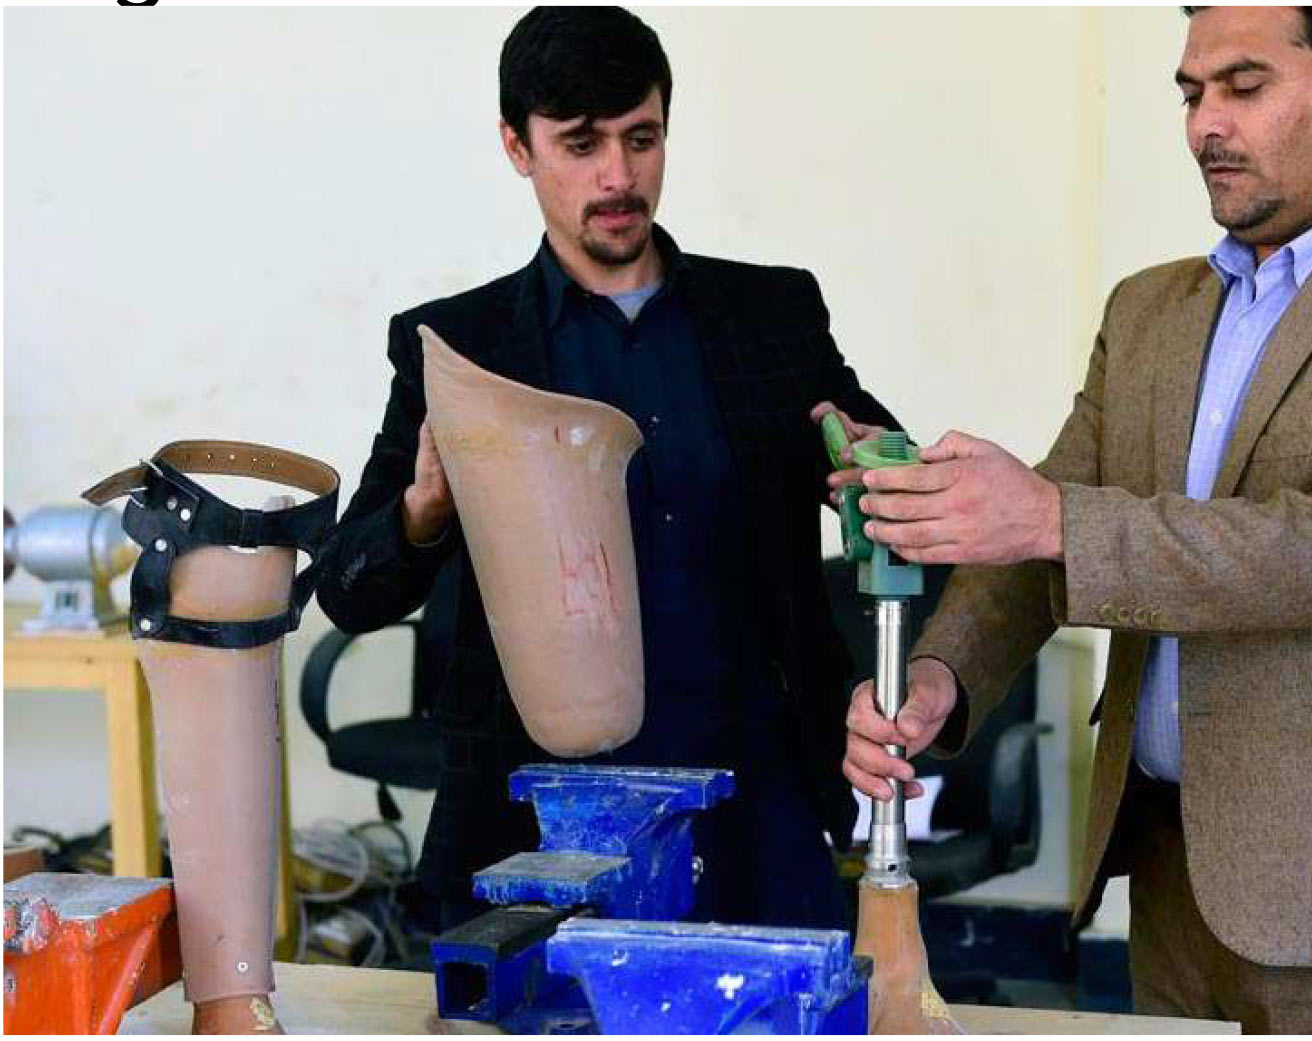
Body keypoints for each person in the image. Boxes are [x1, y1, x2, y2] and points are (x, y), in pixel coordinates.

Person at [841, 7, 1312, 1033]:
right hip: (1169, 879)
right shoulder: (1145, 311)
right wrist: (939, 679)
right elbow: (1038, 541)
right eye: (1190, 93)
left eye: (1244, 87)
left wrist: (1049, 516)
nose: (1204, 124)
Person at [317, 5, 893, 932]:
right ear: (517, 146)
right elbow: (347, 592)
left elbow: (882, 465)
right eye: (581, 144)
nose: (618, 176)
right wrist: (422, 510)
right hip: (535, 815)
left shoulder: (771, 315)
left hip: (756, 795)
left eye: (641, 138)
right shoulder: (461, 346)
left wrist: (879, 471)